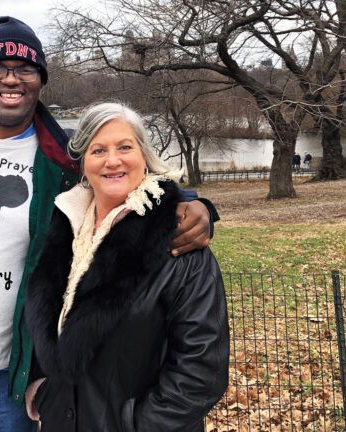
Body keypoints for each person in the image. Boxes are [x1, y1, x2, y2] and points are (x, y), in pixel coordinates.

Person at [0, 16, 218, 432]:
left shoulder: (60, 157)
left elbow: (121, 174)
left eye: (25, 69)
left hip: (4, 375)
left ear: (40, 79)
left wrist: (191, 203)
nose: (11, 79)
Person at [24, 103, 229, 431]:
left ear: (144, 156)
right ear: (84, 163)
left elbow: (201, 372)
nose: (112, 160)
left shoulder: (179, 239)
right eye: (98, 149)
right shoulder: (62, 232)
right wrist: (42, 392)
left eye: (124, 147)